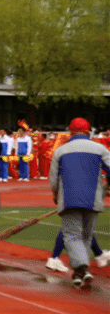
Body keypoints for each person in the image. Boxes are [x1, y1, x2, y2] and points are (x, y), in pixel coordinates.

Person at [49, 118, 110, 290]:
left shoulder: (60, 151)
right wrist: (107, 187)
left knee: (72, 236)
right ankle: (80, 272)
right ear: (87, 130)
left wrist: (56, 195)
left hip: (69, 199)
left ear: (71, 131)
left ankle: (81, 268)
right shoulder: (100, 148)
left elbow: (53, 180)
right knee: (86, 236)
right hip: (93, 199)